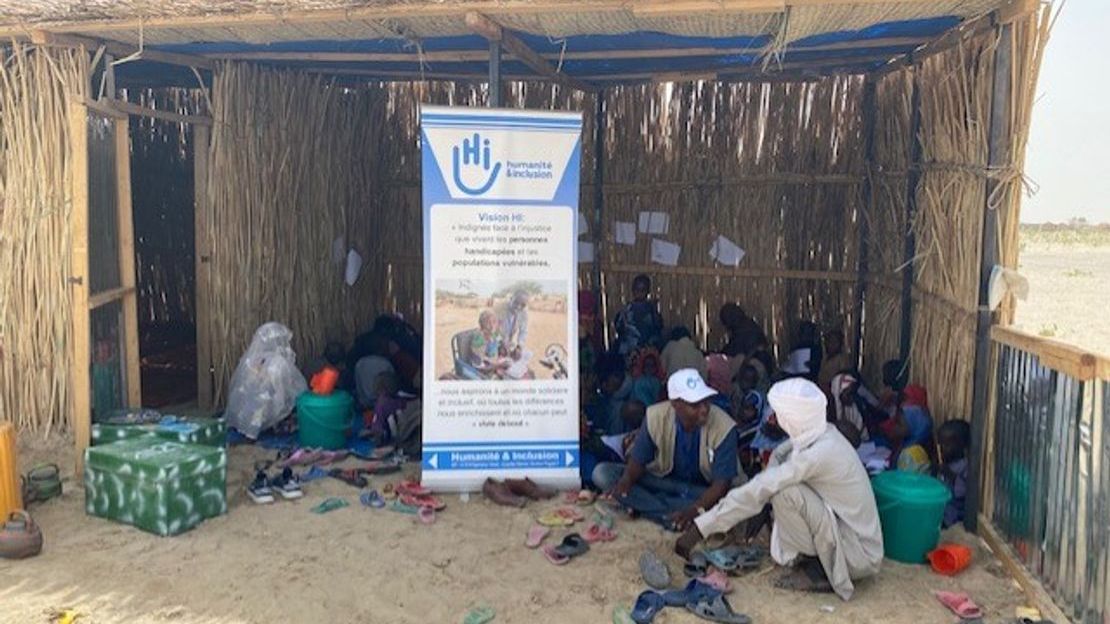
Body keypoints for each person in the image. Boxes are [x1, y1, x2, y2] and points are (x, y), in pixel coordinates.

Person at [675, 377, 884, 601]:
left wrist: (700, 529)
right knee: (777, 485)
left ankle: (818, 570)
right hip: (852, 537)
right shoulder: (822, 432)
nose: (775, 418)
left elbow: (763, 486)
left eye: (780, 414)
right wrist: (763, 504)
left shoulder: (820, 453)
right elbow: (779, 456)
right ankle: (815, 559)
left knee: (784, 493)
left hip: (857, 554)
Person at [592, 368, 741, 531]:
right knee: (603, 473)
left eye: (706, 401)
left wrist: (694, 510)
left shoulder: (725, 427)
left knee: (727, 503)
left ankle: (651, 511)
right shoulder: (655, 416)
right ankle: (673, 514)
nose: (704, 409)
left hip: (701, 492)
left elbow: (721, 486)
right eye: (695, 405)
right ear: (675, 404)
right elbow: (637, 463)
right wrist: (625, 484)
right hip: (662, 482)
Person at [613, 274, 664, 357]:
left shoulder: (651, 309)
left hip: (648, 352)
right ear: (633, 290)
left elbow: (659, 327)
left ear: (647, 292)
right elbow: (618, 328)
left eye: (642, 290)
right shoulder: (626, 310)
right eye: (637, 290)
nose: (639, 293)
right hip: (629, 350)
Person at [936, 419, 971, 528]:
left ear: (962, 446)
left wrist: (951, 476)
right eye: (941, 444)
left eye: (947, 445)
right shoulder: (947, 464)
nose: (942, 449)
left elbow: (963, 492)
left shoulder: (965, 466)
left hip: (954, 519)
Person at [817, 329, 852, 394]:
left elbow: (845, 377)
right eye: (829, 342)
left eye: (835, 342)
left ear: (840, 344)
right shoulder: (824, 358)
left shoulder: (841, 359)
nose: (831, 345)